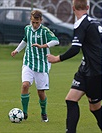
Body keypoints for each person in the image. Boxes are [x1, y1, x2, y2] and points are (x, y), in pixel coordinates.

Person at [47, 0, 102, 132]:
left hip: (95, 71)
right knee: (71, 99)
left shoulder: (81, 23)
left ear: (73, 8)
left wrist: (56, 58)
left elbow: (75, 49)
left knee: (94, 107)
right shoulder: (96, 22)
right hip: (86, 68)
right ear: (88, 7)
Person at [11, 10, 59, 122]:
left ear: (41, 21)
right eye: (33, 22)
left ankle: (43, 113)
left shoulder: (45, 31)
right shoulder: (27, 29)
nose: (35, 25)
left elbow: (56, 41)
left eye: (37, 22)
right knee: (25, 85)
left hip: (42, 65)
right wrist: (16, 51)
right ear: (30, 20)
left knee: (41, 92)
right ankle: (25, 113)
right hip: (28, 62)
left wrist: (43, 46)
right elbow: (25, 40)